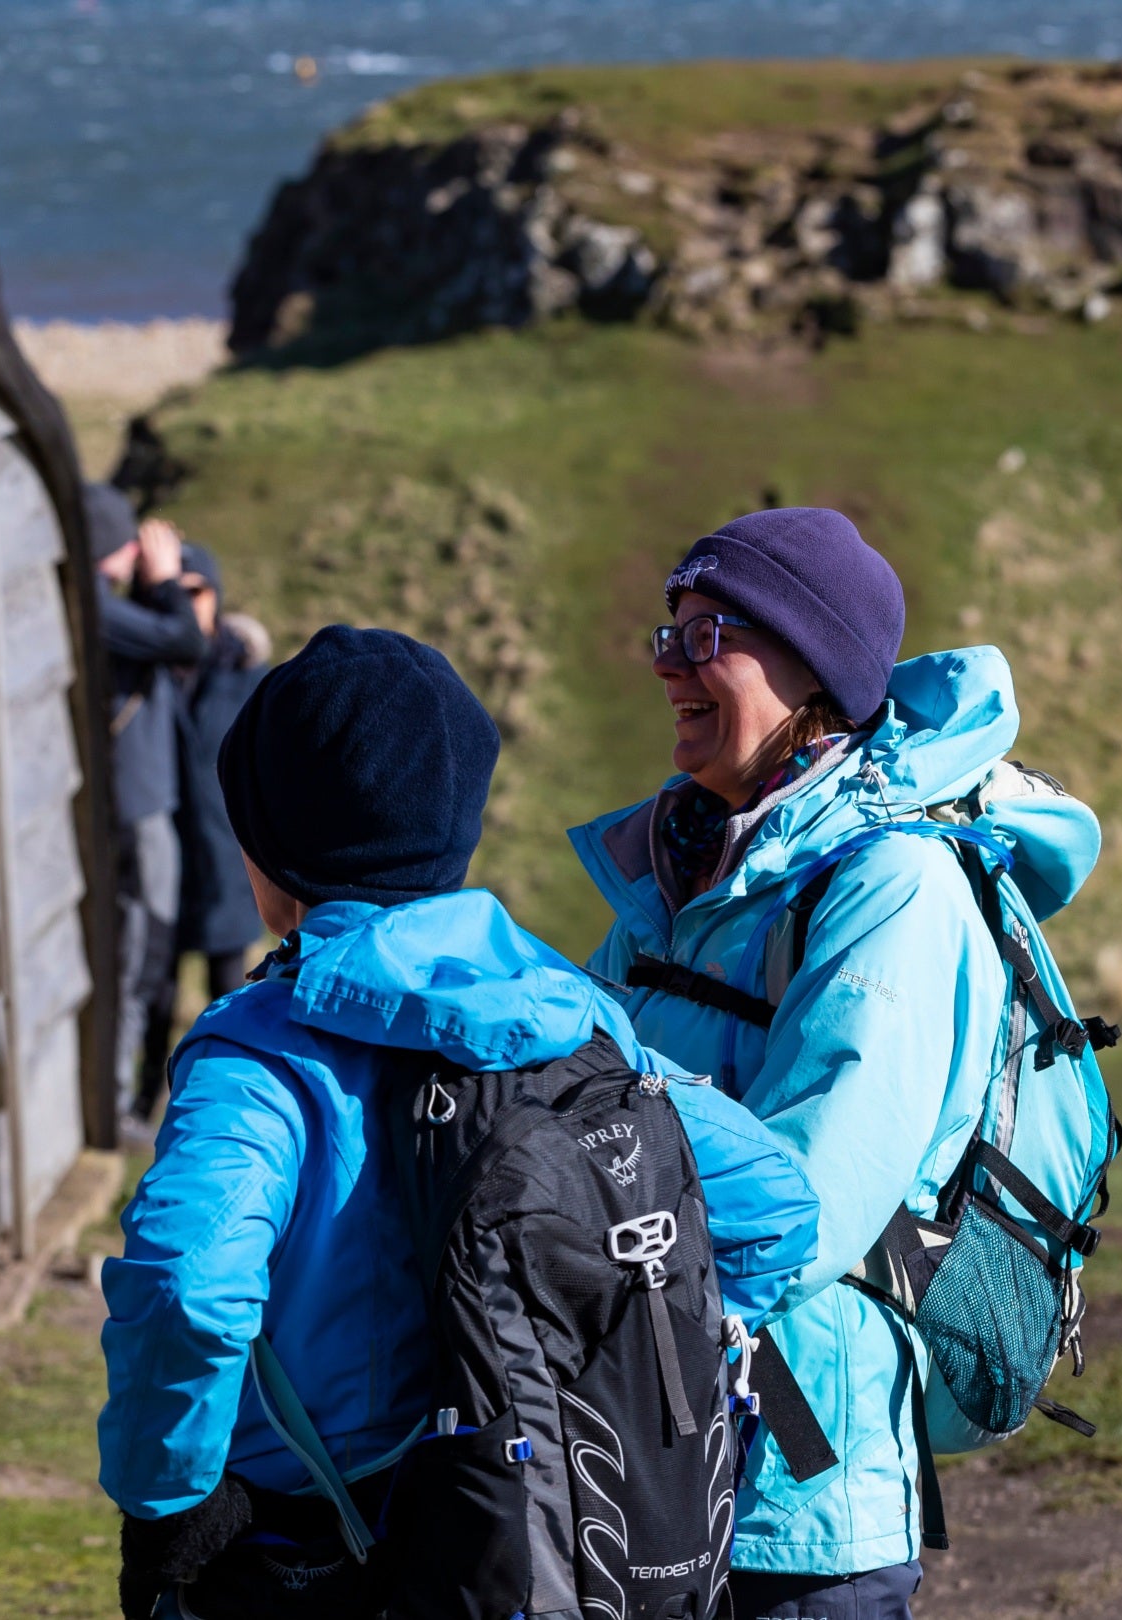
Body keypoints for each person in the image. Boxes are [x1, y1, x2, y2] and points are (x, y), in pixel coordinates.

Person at [98, 625, 819, 1620]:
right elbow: (777, 1206)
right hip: (535, 1548)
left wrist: (164, 1503)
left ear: (271, 840)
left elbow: (186, 1284)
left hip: (305, 1552)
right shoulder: (571, 1015)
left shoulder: (261, 1050)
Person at [570, 508, 1101, 1619]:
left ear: (811, 664)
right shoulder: (679, 877)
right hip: (655, 1457)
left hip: (799, 1504)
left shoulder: (895, 888)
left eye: (710, 637)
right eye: (668, 636)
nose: (673, 666)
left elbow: (810, 1197)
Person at [88, 483, 209, 1138]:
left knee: (147, 948)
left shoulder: (107, 609)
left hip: (146, 806)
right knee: (137, 951)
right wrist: (164, 584)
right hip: (137, 810)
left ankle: (121, 1104)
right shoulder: (97, 608)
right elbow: (184, 640)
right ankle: (110, 1109)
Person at [133, 540, 269, 1109]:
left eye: (196, 592)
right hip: (163, 857)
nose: (187, 604)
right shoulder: (145, 672)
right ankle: (143, 1105)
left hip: (228, 860)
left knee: (228, 990)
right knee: (155, 996)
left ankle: (233, 1105)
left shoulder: (248, 677)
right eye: (174, 592)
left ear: (215, 596)